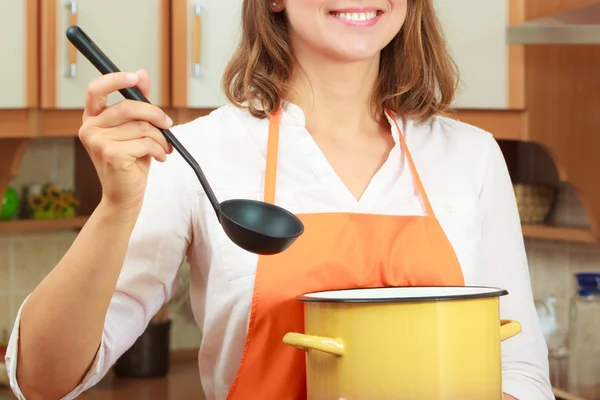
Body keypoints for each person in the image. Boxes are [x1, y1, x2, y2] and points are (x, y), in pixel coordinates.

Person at [5, 0, 553, 399]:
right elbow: (41, 379)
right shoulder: (200, 155)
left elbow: (521, 374)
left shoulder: (471, 156)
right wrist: (117, 208)